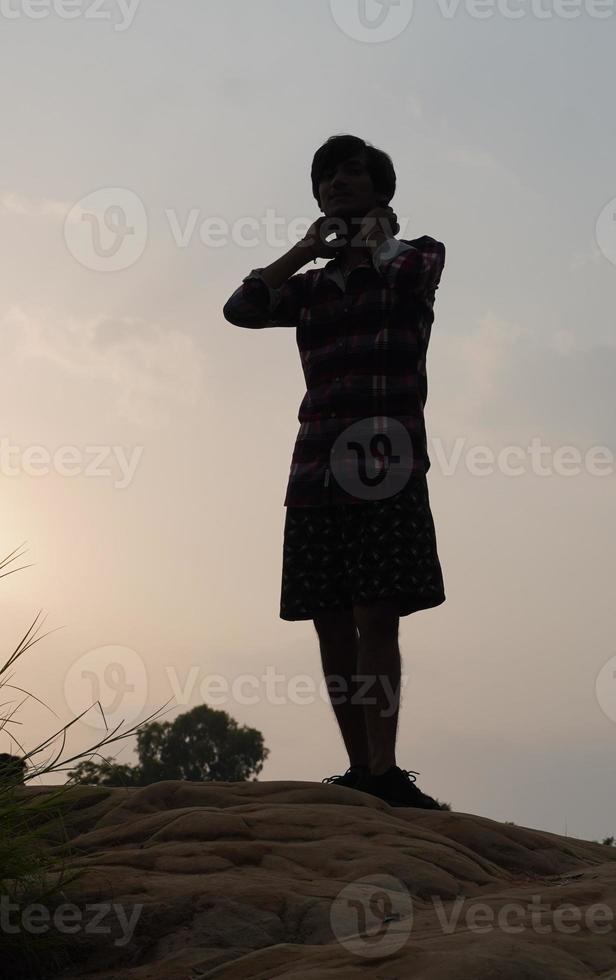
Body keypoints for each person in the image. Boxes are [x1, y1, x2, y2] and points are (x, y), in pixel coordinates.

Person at [222, 134, 448, 810]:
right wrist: (304, 249)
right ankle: (358, 768)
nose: (336, 182)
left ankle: (384, 768)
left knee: (377, 614)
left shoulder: (415, 257)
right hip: (316, 465)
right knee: (329, 619)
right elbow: (242, 308)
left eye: (352, 172)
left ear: (382, 190)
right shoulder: (313, 288)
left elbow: (410, 277)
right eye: (325, 176)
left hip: (384, 462)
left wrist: (376, 240)